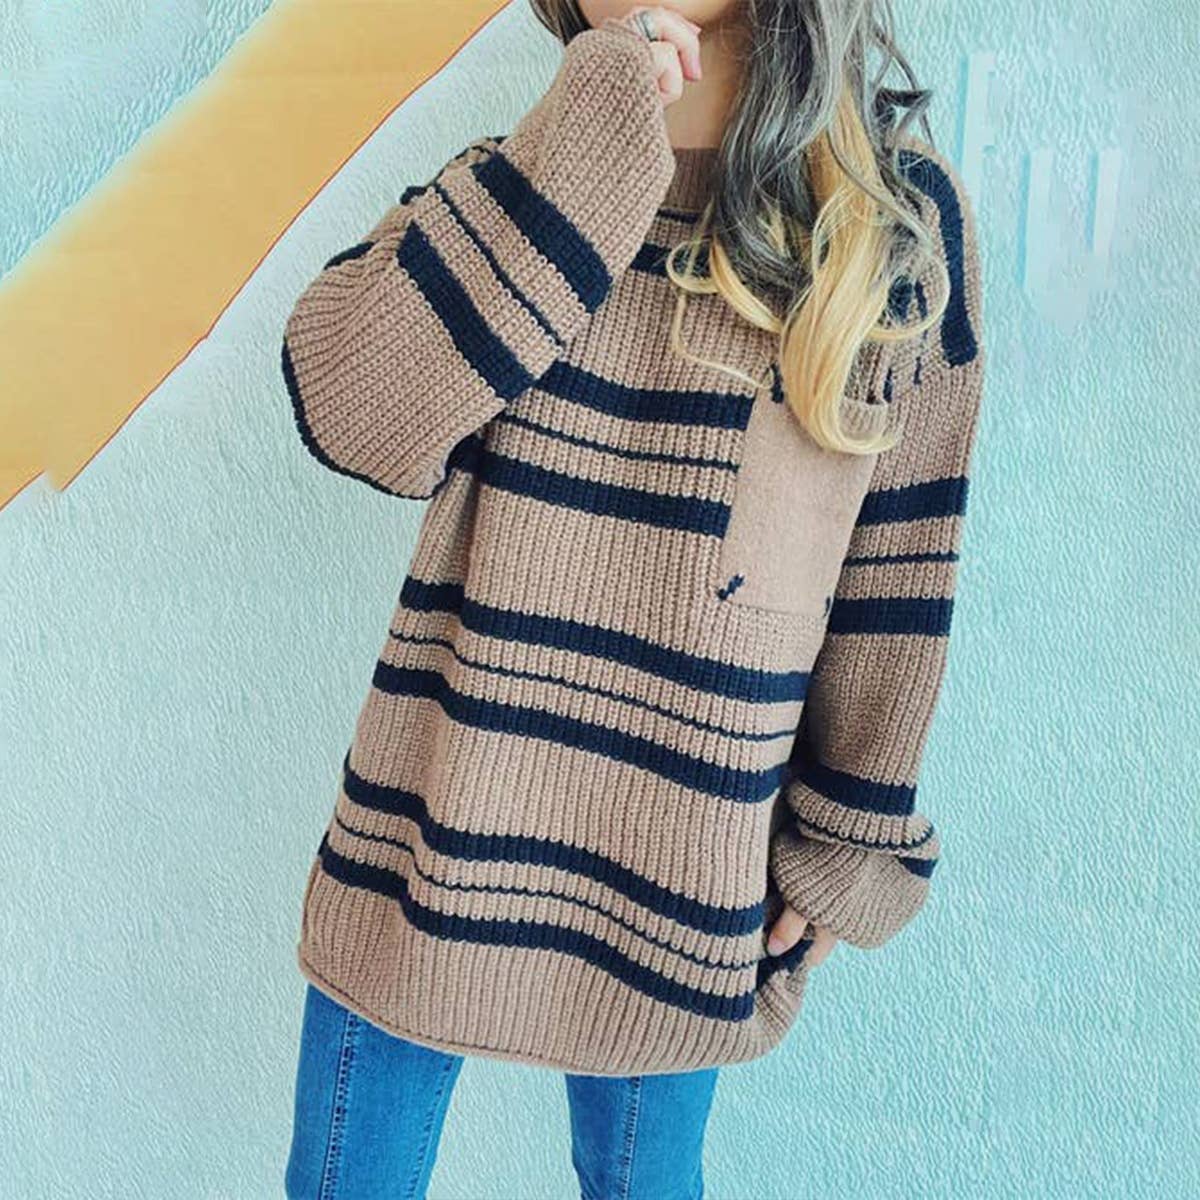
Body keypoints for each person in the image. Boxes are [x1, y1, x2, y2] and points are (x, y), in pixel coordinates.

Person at [280, 1, 986, 1196]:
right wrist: (581, 153)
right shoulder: (518, 179)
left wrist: (848, 837)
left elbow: (900, 567)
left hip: (688, 856)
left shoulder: (890, 223)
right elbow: (351, 414)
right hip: (434, 831)